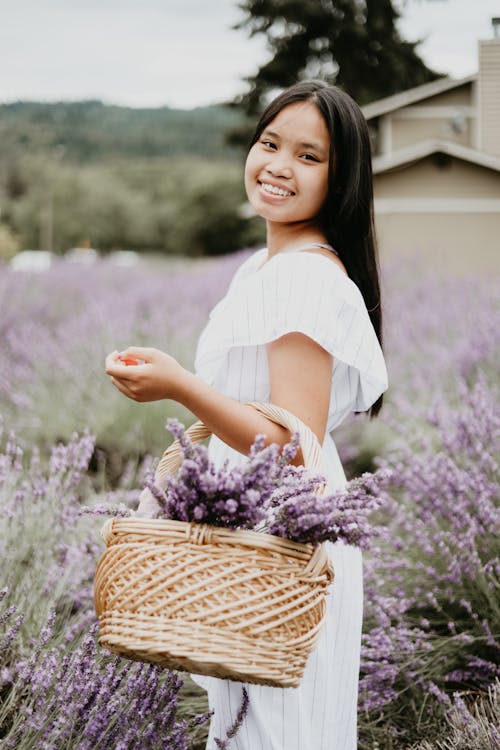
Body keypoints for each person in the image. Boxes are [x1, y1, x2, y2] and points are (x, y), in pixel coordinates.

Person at [105, 80, 388, 750]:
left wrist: (180, 386)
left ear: (341, 179)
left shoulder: (303, 277)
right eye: (270, 143)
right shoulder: (267, 267)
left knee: (279, 737)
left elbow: (294, 446)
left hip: (282, 540)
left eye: (309, 156)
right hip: (252, 537)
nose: (279, 165)